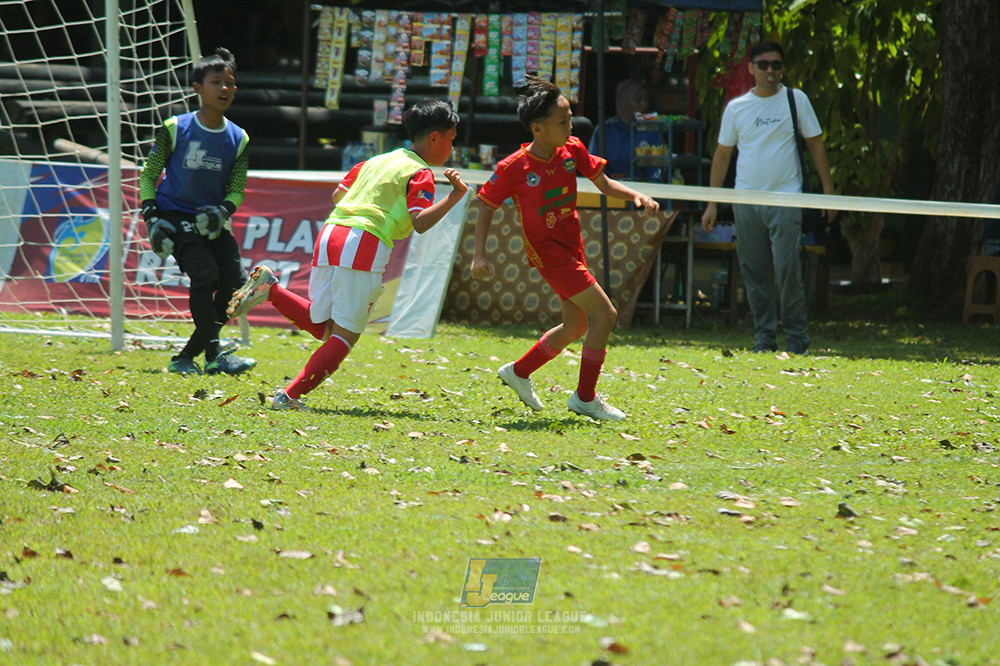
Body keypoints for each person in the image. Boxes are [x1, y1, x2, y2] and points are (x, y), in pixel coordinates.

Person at [226, 99, 467, 410]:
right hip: (364, 242)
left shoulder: (376, 161)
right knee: (346, 336)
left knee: (327, 327)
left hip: (331, 233)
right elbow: (420, 222)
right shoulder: (419, 173)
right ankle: (289, 397)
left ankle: (271, 289)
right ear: (435, 137)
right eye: (451, 138)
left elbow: (339, 194)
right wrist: (455, 196)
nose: (451, 147)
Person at [471, 76, 660, 421]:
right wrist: (478, 254)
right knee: (606, 315)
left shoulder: (572, 149)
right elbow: (485, 203)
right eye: (563, 121)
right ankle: (585, 398)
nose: (571, 125)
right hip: (550, 256)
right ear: (538, 128)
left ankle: (519, 371)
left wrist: (635, 195)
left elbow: (602, 182)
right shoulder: (514, 167)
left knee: (575, 327)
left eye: (571, 117)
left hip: (572, 247)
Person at [700, 40, 835, 355]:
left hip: (788, 199)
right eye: (763, 64)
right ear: (751, 68)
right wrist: (712, 202)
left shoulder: (795, 99)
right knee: (754, 272)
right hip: (745, 201)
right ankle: (764, 338)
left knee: (788, 271)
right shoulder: (737, 107)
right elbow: (722, 156)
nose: (770, 70)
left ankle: (797, 338)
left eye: (776, 64)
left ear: (783, 68)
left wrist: (829, 193)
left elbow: (816, 145)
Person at [139, 46, 256, 376]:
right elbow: (149, 175)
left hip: (213, 220)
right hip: (175, 217)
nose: (224, 89)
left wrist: (222, 211)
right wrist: (152, 219)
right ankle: (216, 355)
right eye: (216, 81)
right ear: (197, 88)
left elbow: (237, 189)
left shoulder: (239, 138)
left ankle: (186, 357)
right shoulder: (175, 127)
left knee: (235, 285)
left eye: (230, 83)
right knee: (205, 276)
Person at [588, 78, 662, 181]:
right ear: (624, 101)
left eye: (646, 100)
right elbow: (592, 167)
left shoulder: (651, 130)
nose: (644, 105)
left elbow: (656, 170)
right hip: (610, 190)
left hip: (642, 191)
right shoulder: (606, 129)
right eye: (638, 99)